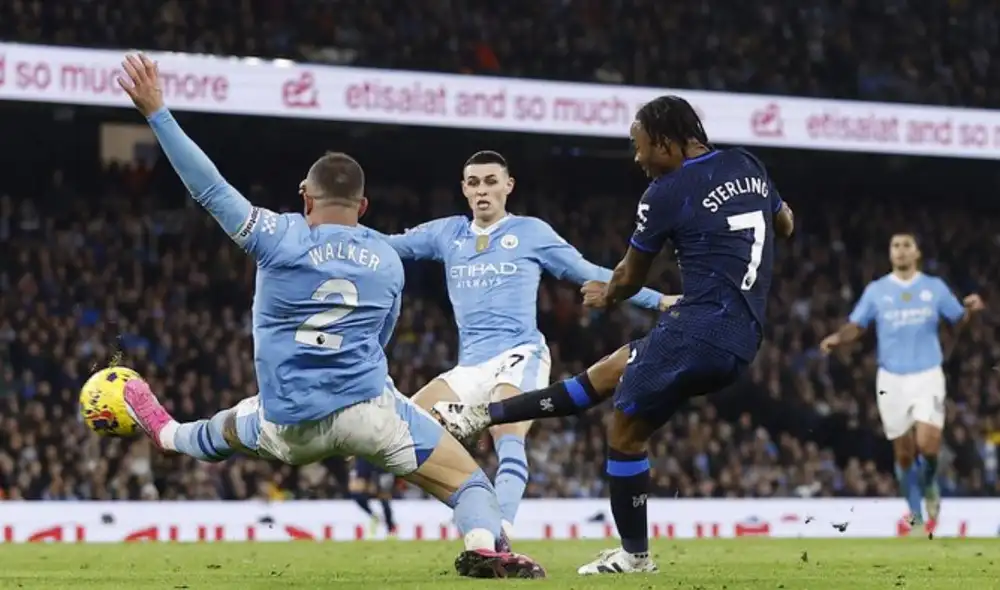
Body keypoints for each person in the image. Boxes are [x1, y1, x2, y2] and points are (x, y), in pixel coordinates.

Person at [114, 53, 543, 579]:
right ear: (362, 207)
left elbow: (209, 188)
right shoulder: (387, 258)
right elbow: (381, 339)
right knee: (471, 484)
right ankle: (483, 545)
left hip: (287, 420)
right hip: (369, 414)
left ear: (304, 197)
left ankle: (164, 432)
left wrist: (157, 112)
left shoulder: (275, 236)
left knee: (221, 431)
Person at [435, 95, 795, 575]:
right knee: (605, 374)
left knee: (625, 431)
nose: (638, 158)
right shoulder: (746, 163)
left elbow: (628, 275)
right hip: (744, 331)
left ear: (664, 141)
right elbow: (785, 223)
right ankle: (480, 416)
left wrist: (608, 295)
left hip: (699, 327)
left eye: (639, 145)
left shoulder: (666, 192)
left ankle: (634, 557)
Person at [374, 150, 673, 536]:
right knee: (400, 428)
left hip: (519, 354)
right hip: (469, 367)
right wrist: (330, 228)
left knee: (507, 434)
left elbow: (589, 272)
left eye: (491, 181)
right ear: (464, 189)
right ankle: (474, 502)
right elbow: (387, 244)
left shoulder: (531, 233)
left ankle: (501, 533)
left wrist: (658, 300)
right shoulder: (447, 233)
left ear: (508, 186)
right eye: (474, 183)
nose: (482, 190)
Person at [820, 233, 984, 532]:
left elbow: (957, 320)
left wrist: (970, 312)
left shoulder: (934, 288)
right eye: (895, 246)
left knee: (928, 444)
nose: (901, 251)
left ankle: (930, 482)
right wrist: (837, 338)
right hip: (891, 378)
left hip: (927, 374)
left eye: (907, 245)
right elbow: (857, 325)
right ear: (890, 253)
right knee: (904, 453)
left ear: (917, 252)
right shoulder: (877, 291)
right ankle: (915, 513)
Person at [349, 458, 398, 537]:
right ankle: (374, 516)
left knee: (384, 500)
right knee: (357, 495)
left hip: (381, 467)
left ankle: (390, 527)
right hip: (365, 463)